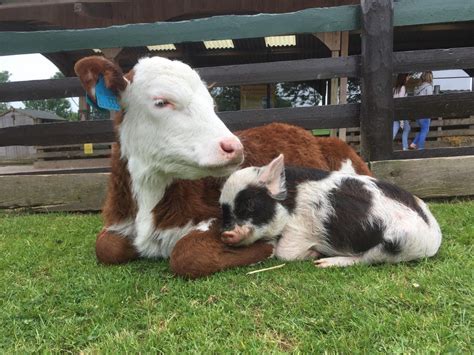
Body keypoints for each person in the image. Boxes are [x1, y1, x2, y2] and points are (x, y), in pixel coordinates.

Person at [410, 71, 434, 150]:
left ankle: (413, 144)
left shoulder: (417, 88)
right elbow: (430, 100)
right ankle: (420, 149)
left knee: (423, 130)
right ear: (429, 77)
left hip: (417, 113)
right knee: (425, 130)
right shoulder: (428, 87)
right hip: (425, 112)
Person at [392, 73, 410, 150]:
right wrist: (402, 120)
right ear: (404, 78)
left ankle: (385, 145)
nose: (408, 78)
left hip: (395, 112)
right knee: (407, 128)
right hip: (401, 113)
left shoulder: (394, 89)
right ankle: (405, 147)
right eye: (407, 76)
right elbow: (401, 101)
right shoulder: (402, 88)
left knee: (395, 129)